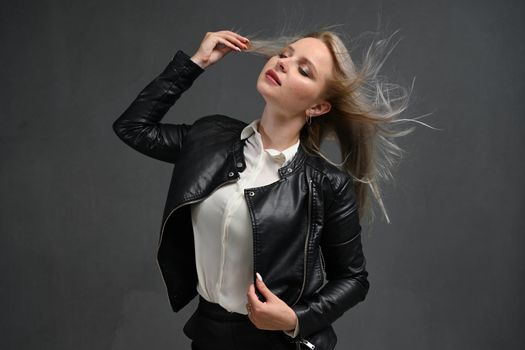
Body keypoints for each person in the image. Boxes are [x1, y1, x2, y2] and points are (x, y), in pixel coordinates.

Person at [113, 28, 419, 350]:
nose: (283, 63)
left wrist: (294, 319)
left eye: (304, 70)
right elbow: (133, 127)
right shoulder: (209, 139)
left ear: (318, 107)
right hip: (208, 334)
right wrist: (196, 63)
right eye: (284, 54)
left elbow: (354, 280)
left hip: (277, 344)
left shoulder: (325, 183)